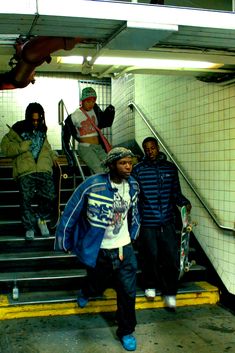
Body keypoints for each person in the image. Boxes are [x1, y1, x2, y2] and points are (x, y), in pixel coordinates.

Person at [55, 147, 140, 351]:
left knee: (128, 293)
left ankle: (126, 331)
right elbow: (71, 212)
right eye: (123, 163)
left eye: (130, 162)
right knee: (96, 283)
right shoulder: (92, 185)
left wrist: (134, 232)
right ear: (111, 165)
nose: (128, 166)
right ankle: (86, 291)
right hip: (100, 249)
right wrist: (64, 239)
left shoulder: (133, 185)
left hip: (124, 249)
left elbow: (135, 210)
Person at [132, 136, 191, 310]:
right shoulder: (138, 170)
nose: (150, 151)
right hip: (148, 223)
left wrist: (184, 202)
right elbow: (135, 197)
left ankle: (170, 294)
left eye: (152, 148)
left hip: (167, 222)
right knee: (150, 256)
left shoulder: (170, 169)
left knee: (171, 259)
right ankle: (150, 284)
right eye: (146, 149)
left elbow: (175, 193)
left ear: (157, 148)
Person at [1, 102, 57, 241]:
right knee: (26, 199)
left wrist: (53, 156)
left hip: (43, 168)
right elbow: (5, 147)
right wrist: (21, 147)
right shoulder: (18, 128)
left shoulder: (43, 129)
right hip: (26, 169)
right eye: (33, 119)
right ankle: (29, 227)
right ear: (28, 117)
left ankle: (41, 219)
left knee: (49, 196)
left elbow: (46, 147)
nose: (36, 122)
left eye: (38, 119)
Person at [62, 86, 115, 174]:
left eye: (93, 101)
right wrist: (70, 159)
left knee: (112, 166)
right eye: (88, 101)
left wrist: (110, 113)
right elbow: (65, 138)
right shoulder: (74, 116)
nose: (91, 104)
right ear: (82, 101)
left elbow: (105, 123)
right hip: (85, 147)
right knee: (99, 169)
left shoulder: (96, 111)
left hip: (98, 147)